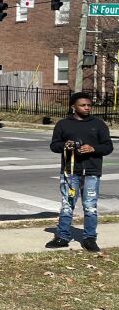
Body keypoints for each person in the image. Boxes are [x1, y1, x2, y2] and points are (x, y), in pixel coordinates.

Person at [47, 92, 113, 252]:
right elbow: (54, 145)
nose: (87, 108)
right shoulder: (63, 124)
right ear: (73, 107)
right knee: (67, 205)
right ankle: (62, 236)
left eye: (89, 105)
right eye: (83, 105)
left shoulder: (99, 124)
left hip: (91, 172)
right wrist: (65, 145)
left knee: (90, 206)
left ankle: (89, 238)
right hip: (70, 172)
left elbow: (108, 147)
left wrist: (93, 148)